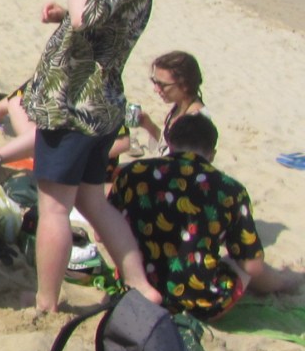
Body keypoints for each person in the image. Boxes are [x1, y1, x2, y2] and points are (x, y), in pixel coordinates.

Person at [22, 0, 162, 313]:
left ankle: (46, 301)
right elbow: (96, 18)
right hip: (95, 103)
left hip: (77, 107)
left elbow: (86, 17)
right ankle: (140, 285)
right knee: (90, 200)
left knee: (54, 208)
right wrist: (64, 15)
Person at [113, 114, 302, 321]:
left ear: (170, 143)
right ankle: (284, 284)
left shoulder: (133, 172)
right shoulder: (230, 190)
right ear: (212, 155)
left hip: (135, 289)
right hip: (198, 302)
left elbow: (102, 233)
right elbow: (252, 266)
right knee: (240, 262)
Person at [134, 50, 206, 151]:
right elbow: (167, 146)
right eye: (154, 82)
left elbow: (182, 158)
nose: (156, 89)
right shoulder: (181, 106)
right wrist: (149, 126)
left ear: (184, 85)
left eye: (162, 85)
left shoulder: (194, 125)